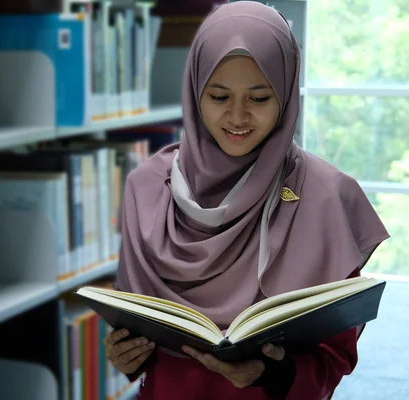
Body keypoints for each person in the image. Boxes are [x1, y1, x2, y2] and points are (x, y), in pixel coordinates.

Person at [103, 1, 390, 399]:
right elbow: (139, 334)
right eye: (219, 96)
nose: (237, 117)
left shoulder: (327, 196)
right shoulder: (147, 187)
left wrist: (273, 373)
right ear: (194, 91)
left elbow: (336, 358)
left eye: (258, 99)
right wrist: (126, 356)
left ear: (286, 96)